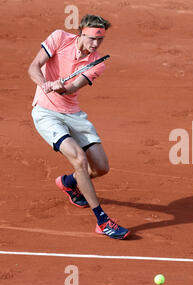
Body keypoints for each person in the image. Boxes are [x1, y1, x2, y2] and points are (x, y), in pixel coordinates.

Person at [28, 14, 130, 240]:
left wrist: (62, 87)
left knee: (101, 167)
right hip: (46, 113)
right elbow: (33, 67)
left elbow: (73, 87)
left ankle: (68, 182)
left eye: (100, 40)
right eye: (92, 38)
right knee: (79, 160)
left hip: (73, 115)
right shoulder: (59, 38)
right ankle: (102, 221)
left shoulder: (97, 63)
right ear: (81, 31)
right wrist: (45, 84)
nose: (95, 44)